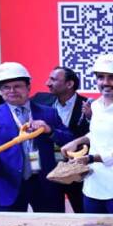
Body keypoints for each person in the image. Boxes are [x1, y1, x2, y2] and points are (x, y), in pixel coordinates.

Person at [0, 62, 73, 212]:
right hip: (5, 183)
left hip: (45, 184)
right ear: (1, 90)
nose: (12, 91)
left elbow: (69, 139)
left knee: (50, 225)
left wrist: (49, 130)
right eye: (6, 87)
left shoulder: (48, 113)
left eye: (17, 86)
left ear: (28, 87)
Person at [61, 54, 113, 214]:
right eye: (101, 77)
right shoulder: (96, 106)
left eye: (111, 78)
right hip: (92, 185)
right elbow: (97, 133)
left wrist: (91, 158)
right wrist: (77, 141)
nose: (105, 82)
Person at [35, 66, 91, 212]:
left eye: (53, 79)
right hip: (49, 172)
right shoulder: (40, 100)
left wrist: (91, 118)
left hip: (77, 171)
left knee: (85, 216)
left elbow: (95, 136)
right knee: (51, 217)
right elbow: (4, 101)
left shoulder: (90, 105)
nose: (47, 83)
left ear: (69, 84)